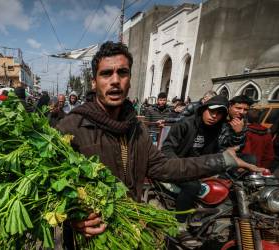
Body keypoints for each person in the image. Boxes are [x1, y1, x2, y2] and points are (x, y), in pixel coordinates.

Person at [55, 41, 262, 244]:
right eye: (106, 73)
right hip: (87, 238)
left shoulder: (136, 129)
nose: (115, 80)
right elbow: (50, 188)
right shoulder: (71, 127)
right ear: (94, 82)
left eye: (122, 73)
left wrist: (223, 159)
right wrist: (74, 217)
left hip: (128, 231)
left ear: (130, 79)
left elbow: (165, 167)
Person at [161, 95, 229, 239]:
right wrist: (181, 166)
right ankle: (179, 224)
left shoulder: (216, 130)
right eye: (212, 112)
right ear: (203, 109)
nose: (214, 116)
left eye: (219, 114)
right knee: (192, 186)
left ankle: (199, 219)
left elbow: (216, 153)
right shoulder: (184, 124)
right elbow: (166, 149)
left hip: (199, 170)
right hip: (175, 168)